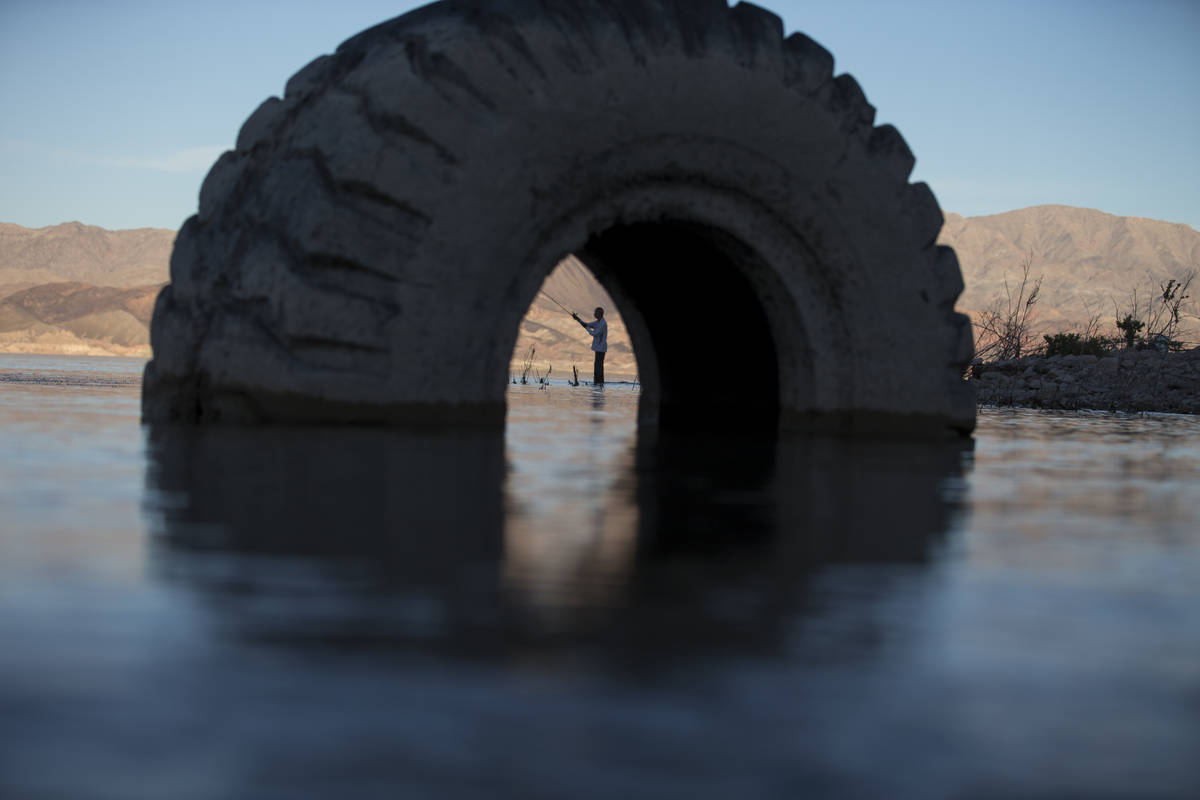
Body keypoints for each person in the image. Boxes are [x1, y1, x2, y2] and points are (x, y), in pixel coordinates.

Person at [572, 306, 607, 386]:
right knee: (598, 367)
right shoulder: (598, 322)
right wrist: (577, 319)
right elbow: (586, 324)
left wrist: (587, 328)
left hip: (601, 348)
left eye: (596, 313)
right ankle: (598, 383)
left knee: (598, 367)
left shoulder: (602, 324)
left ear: (600, 314)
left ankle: (599, 383)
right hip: (598, 348)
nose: (594, 314)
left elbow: (594, 333)